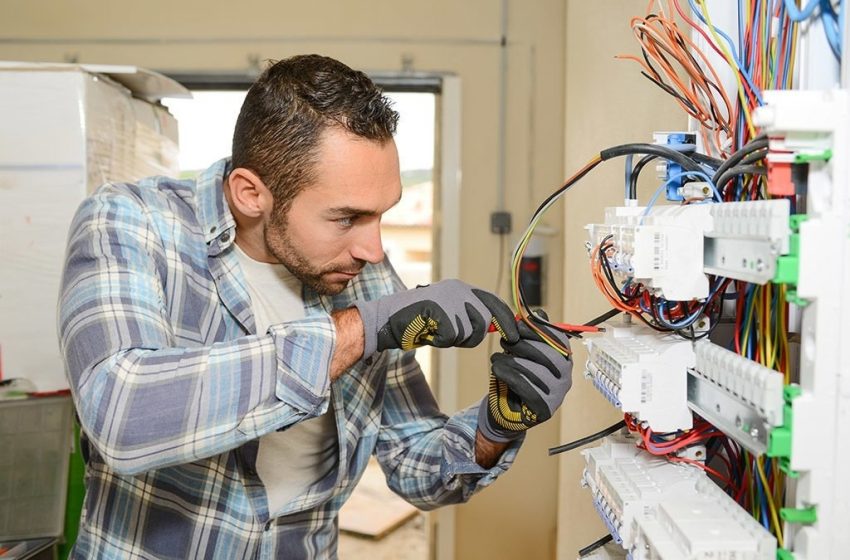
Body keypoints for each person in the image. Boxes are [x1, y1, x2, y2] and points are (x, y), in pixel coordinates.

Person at [58, 54, 573, 559]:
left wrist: (497, 425)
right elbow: (121, 414)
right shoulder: (131, 223)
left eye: (380, 215)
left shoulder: (363, 276)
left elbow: (416, 467)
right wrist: (358, 331)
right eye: (347, 218)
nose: (373, 251)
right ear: (250, 193)